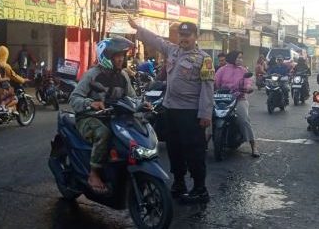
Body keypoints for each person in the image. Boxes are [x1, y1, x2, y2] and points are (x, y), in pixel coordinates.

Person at [129, 17, 214, 204]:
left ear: (196, 36)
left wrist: (205, 114)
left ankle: (200, 188)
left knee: (194, 151)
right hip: (170, 110)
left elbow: (208, 88)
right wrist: (138, 28)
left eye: (187, 35)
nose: (183, 39)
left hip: (190, 113)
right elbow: (156, 40)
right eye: (181, 35)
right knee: (174, 149)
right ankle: (179, 183)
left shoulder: (204, 59)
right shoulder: (172, 50)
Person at [69, 36, 137, 195]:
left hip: (113, 118)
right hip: (89, 118)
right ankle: (94, 174)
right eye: (117, 56)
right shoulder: (92, 75)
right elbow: (74, 99)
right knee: (103, 133)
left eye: (122, 55)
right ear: (106, 57)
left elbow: (132, 98)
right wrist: (89, 103)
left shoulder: (123, 76)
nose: (121, 59)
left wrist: (141, 105)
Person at [214, 51, 259, 157]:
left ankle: (254, 146)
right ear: (232, 58)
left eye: (241, 58)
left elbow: (248, 82)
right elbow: (215, 82)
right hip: (223, 98)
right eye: (238, 58)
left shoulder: (243, 70)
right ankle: (205, 142)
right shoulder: (222, 70)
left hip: (239, 98)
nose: (240, 60)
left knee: (243, 120)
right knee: (210, 116)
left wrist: (248, 88)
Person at [0, 45, 28, 111]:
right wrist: (23, 80)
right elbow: (14, 76)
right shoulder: (6, 66)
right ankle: (5, 108)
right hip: (2, 88)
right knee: (15, 98)